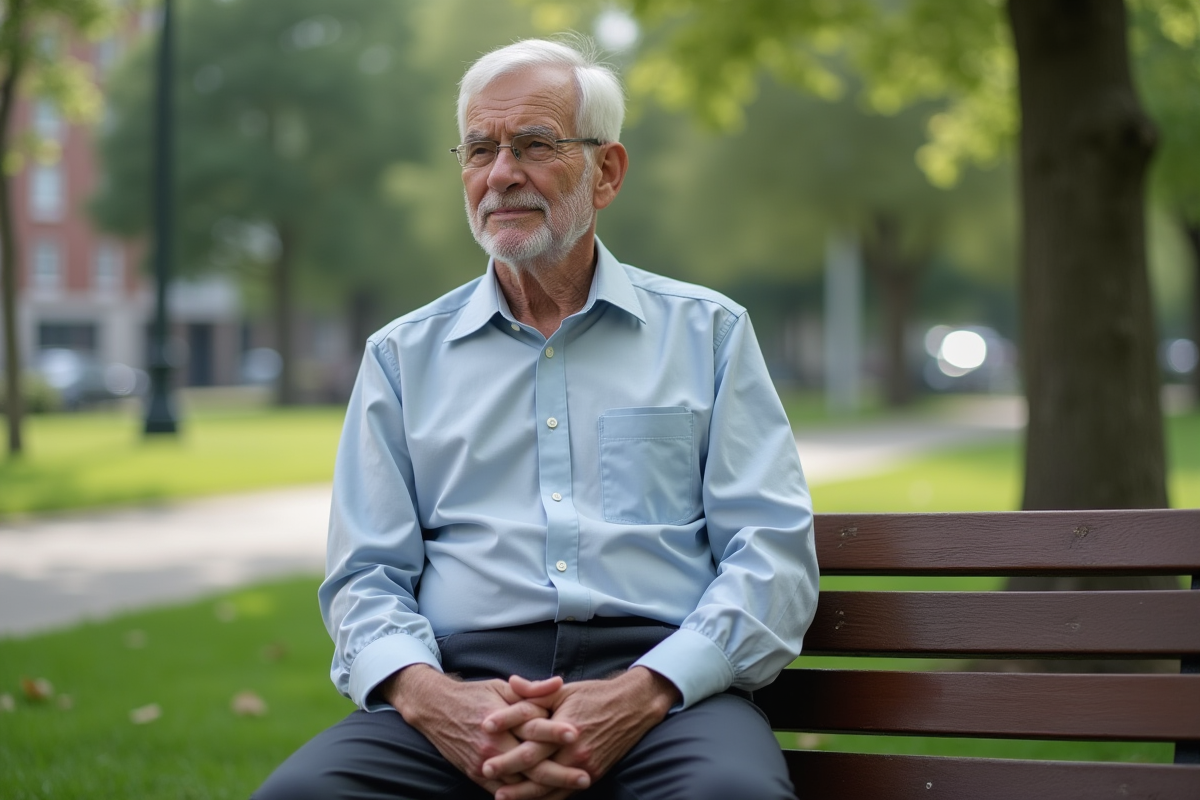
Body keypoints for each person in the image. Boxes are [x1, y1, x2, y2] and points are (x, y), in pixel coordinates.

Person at [253, 36, 818, 800]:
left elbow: (771, 557)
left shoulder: (708, 334)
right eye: (479, 149)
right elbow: (364, 578)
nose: (501, 174)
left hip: (665, 692)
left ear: (606, 171)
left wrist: (645, 691)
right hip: (456, 689)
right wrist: (434, 701)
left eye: (534, 145)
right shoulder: (400, 357)